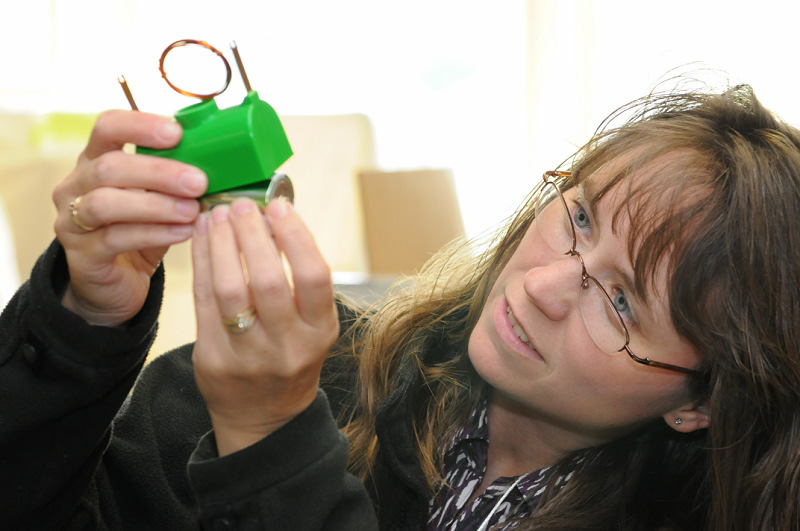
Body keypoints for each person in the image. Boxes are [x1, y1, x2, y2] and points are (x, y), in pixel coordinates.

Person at [2, 81, 799, 530]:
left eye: (622, 302)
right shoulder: (311, 376)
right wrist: (81, 326)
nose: (544, 287)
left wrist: (272, 442)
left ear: (700, 402)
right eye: (580, 217)